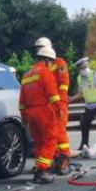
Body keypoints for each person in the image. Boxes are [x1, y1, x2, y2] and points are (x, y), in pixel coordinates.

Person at [19, 46, 61, 184]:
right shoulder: (45, 71)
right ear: (47, 60)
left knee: (39, 142)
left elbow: (22, 100)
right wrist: (59, 109)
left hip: (30, 113)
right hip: (43, 111)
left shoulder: (26, 75)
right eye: (52, 62)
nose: (52, 65)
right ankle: (42, 171)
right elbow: (53, 94)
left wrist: (24, 117)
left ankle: (39, 168)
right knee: (50, 140)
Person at [34, 37, 71, 174]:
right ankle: (52, 161)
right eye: (37, 48)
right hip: (47, 106)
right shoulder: (40, 67)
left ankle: (65, 160)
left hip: (57, 103)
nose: (39, 50)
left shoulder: (59, 62)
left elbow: (63, 84)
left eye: (41, 47)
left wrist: (60, 104)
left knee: (60, 133)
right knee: (47, 135)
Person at [69, 57, 96, 159]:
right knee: (84, 124)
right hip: (89, 106)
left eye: (84, 67)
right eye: (81, 68)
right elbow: (81, 93)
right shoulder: (79, 78)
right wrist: (71, 99)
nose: (82, 70)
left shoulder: (95, 74)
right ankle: (84, 146)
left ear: (87, 66)